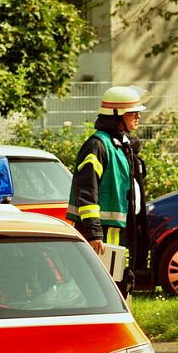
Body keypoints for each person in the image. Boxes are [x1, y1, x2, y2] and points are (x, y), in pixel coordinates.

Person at [67, 86, 149, 298]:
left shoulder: (119, 144)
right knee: (105, 291)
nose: (138, 117)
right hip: (103, 235)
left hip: (120, 231)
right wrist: (94, 232)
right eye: (133, 112)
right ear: (116, 115)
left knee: (121, 285)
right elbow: (86, 190)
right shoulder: (97, 145)